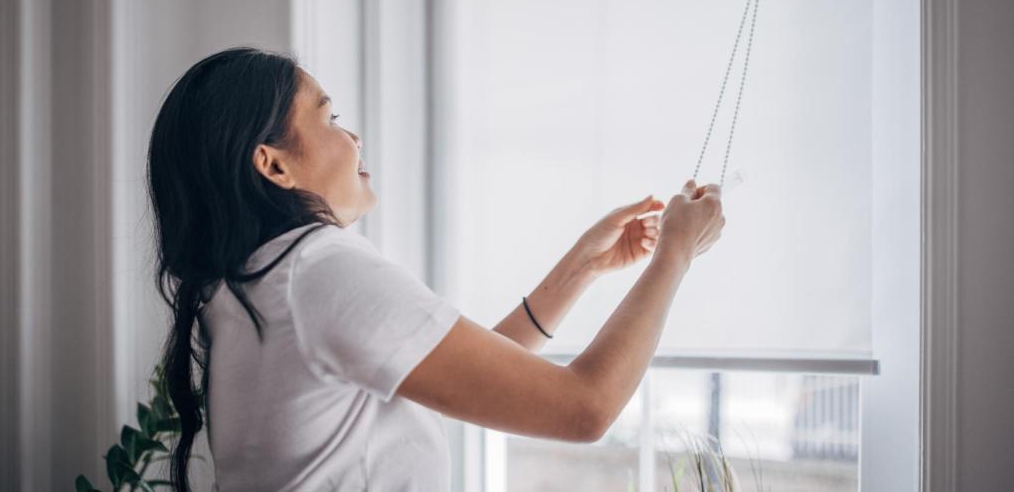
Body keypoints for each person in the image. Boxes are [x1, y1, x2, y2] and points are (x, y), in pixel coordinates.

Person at [146, 46, 725, 492]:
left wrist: (582, 268)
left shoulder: (249, 283)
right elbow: (585, 408)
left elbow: (459, 373)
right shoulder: (319, 269)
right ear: (273, 165)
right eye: (330, 119)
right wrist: (676, 253)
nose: (354, 137)